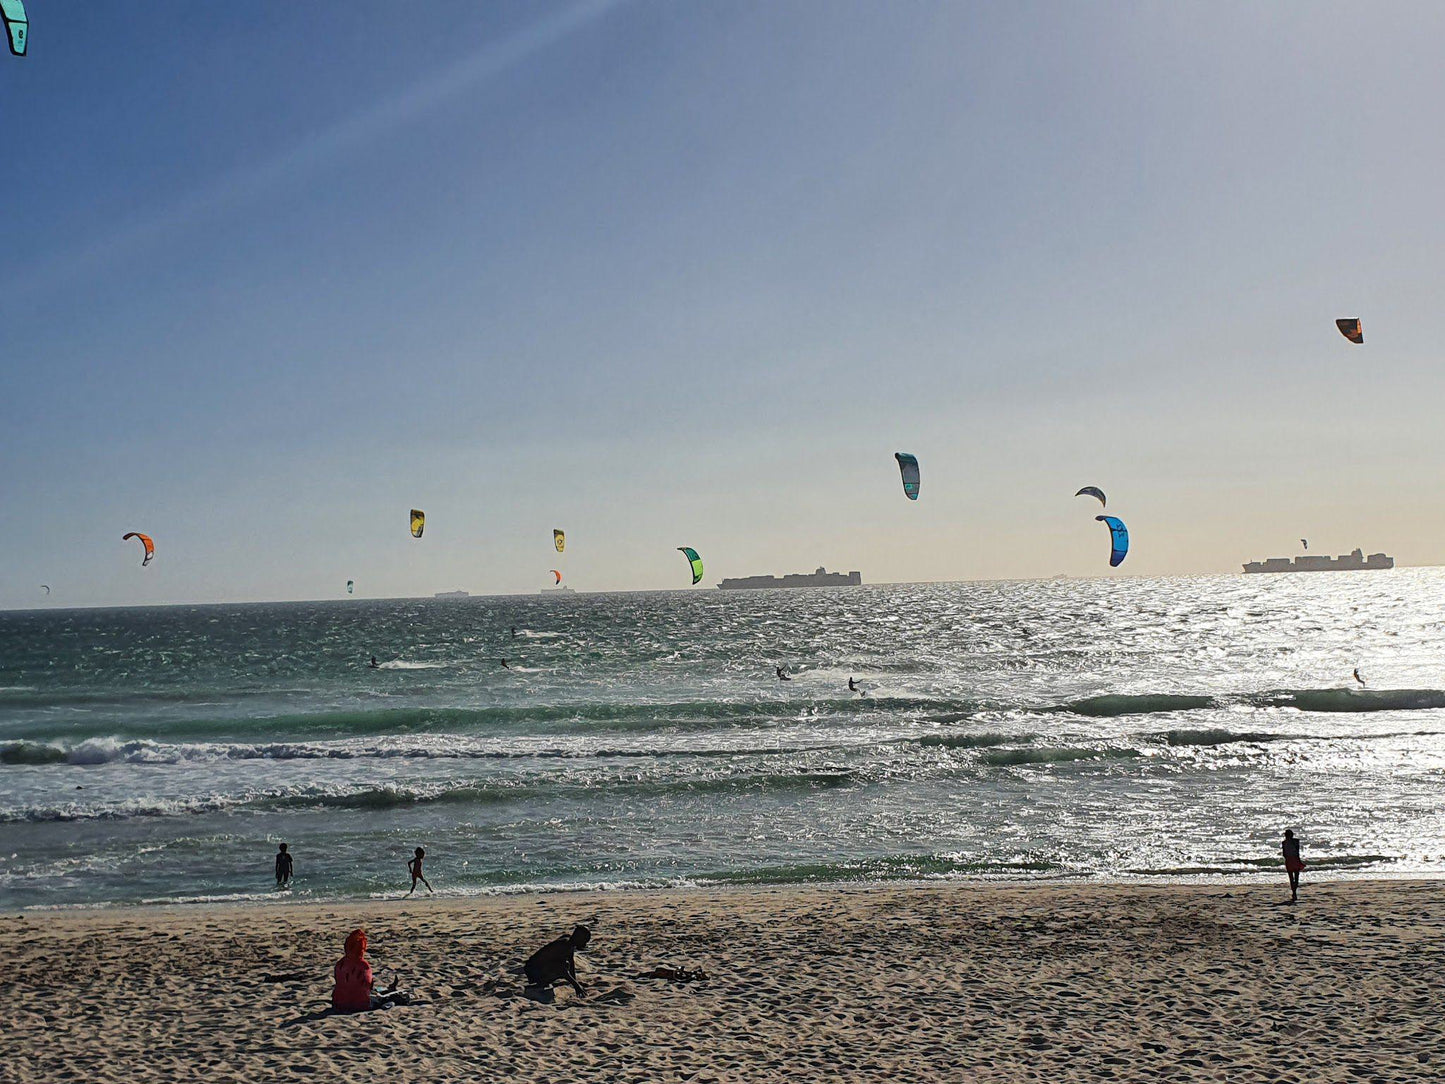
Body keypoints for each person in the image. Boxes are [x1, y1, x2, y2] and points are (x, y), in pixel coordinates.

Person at [331, 929, 408, 1012]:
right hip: (361, 1004)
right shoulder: (363, 965)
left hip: (339, 1004)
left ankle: (387, 990)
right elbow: (367, 986)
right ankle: (389, 994)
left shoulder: (340, 964)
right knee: (394, 998)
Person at [524, 925, 591, 997]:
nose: (584, 944)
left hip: (536, 966)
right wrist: (576, 986)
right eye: (584, 941)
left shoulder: (569, 942)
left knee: (566, 965)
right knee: (564, 965)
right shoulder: (564, 945)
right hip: (533, 970)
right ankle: (541, 982)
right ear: (578, 938)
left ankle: (543, 981)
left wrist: (575, 982)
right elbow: (561, 969)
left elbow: (571, 963)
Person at [1282, 829, 1305, 902]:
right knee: (1296, 876)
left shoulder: (1284, 843)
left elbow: (1284, 854)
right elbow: (1297, 852)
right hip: (1295, 859)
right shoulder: (1296, 841)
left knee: (1291, 878)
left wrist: (1288, 859)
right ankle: (1295, 890)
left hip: (1289, 860)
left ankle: (1294, 892)